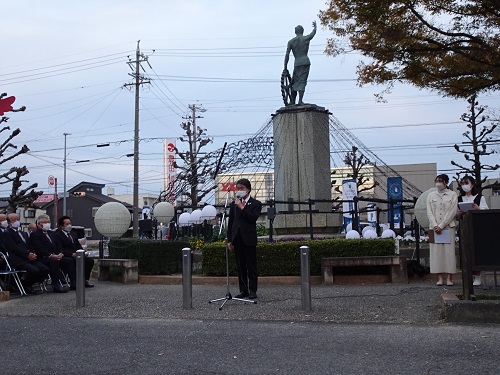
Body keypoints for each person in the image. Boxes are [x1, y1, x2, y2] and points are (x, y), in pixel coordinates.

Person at [227, 178, 262, 299]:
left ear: (248, 190)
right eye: (238, 188)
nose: (239, 191)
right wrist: (230, 240)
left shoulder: (256, 203)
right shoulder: (234, 204)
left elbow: (253, 218)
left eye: (241, 188)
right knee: (240, 266)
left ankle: (253, 290)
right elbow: (231, 222)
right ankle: (243, 290)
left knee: (251, 265)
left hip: (249, 238)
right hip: (237, 238)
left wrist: (242, 207)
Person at [1, 213, 50, 294]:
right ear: (9, 222)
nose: (16, 221)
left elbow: (30, 245)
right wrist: (27, 254)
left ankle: (26, 284)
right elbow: (14, 247)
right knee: (35, 271)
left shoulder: (23, 233)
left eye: (17, 219)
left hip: (29, 258)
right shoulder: (7, 234)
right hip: (18, 259)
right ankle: (24, 286)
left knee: (45, 269)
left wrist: (33, 253)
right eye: (14, 220)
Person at [456, 175, 489, 286]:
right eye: (463, 183)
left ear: (472, 184)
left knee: (477, 251)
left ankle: (478, 276)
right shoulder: (460, 198)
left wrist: (477, 209)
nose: (465, 185)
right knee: (466, 251)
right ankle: (467, 275)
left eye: (467, 183)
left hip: (477, 228)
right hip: (464, 228)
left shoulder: (480, 197)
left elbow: (486, 212)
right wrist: (459, 213)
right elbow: (457, 215)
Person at [426, 174, 458, 286]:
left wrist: (442, 225)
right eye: (437, 180)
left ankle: (450, 278)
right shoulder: (430, 195)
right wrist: (435, 225)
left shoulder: (453, 195)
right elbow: (429, 211)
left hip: (448, 227)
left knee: (449, 253)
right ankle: (439, 277)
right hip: (434, 228)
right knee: (435, 253)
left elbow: (452, 211)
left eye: (440, 180)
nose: (438, 182)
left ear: (446, 182)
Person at [29, 214, 75, 293]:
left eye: (48, 222)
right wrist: (51, 255)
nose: (47, 224)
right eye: (45, 222)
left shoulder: (52, 233)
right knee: (54, 261)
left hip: (55, 255)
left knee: (69, 260)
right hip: (43, 257)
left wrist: (60, 253)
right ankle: (56, 284)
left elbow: (58, 245)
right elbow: (39, 249)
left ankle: (73, 282)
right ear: (39, 224)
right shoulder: (35, 234)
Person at [53, 216, 94, 288]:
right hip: (65, 256)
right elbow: (59, 249)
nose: (69, 225)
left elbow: (78, 246)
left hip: (76, 254)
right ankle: (73, 281)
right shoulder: (57, 235)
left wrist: (83, 252)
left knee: (89, 261)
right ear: (61, 226)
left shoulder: (73, 234)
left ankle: (84, 280)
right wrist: (71, 254)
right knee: (71, 261)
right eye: (66, 224)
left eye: (70, 223)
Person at [284, 21, 316, 106]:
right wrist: (315, 27)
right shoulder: (305, 38)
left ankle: (292, 101)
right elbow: (312, 34)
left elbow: (287, 54)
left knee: (294, 81)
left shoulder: (291, 42)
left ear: (295, 31)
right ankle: (300, 100)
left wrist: (285, 67)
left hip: (297, 63)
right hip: (305, 61)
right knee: (302, 81)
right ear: (302, 31)